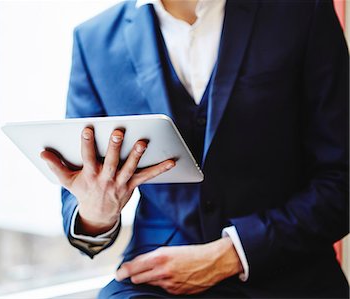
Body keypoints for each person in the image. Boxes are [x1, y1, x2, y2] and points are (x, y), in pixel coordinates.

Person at [40, 0, 349, 297]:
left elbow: (342, 180)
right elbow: (83, 216)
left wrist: (232, 254)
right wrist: (98, 212)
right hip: (157, 276)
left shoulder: (302, 12)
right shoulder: (93, 40)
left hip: (287, 271)